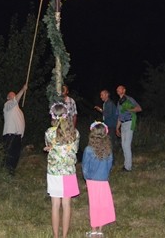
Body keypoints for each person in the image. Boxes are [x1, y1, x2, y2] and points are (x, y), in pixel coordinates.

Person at [44, 102, 80, 238]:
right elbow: (75, 150)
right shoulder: (75, 132)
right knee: (66, 205)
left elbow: (49, 145)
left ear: (53, 116)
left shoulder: (49, 133)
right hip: (69, 173)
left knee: (55, 205)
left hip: (54, 174)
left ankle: (56, 236)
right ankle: (64, 236)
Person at [82, 122, 116, 237]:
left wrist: (87, 179)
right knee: (102, 204)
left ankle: (93, 231)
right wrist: (105, 176)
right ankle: (100, 230)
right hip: (103, 180)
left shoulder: (88, 150)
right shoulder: (108, 150)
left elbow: (85, 168)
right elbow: (109, 165)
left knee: (94, 205)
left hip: (92, 181)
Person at [115, 85, 142, 172]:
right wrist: (117, 128)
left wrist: (130, 110)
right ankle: (126, 165)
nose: (117, 90)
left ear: (124, 90)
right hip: (123, 124)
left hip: (130, 122)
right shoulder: (118, 102)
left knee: (126, 145)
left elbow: (139, 108)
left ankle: (128, 167)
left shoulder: (129, 99)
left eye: (120, 88)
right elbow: (119, 116)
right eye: (117, 89)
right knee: (123, 145)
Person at [2, 83, 28, 175]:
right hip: (10, 134)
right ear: (8, 98)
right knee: (9, 155)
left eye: (14, 94)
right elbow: (15, 100)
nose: (14, 96)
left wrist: (22, 135)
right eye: (11, 95)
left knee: (16, 155)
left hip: (18, 136)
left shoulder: (19, 111)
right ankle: (5, 172)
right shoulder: (7, 105)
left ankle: (11, 172)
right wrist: (22, 89)